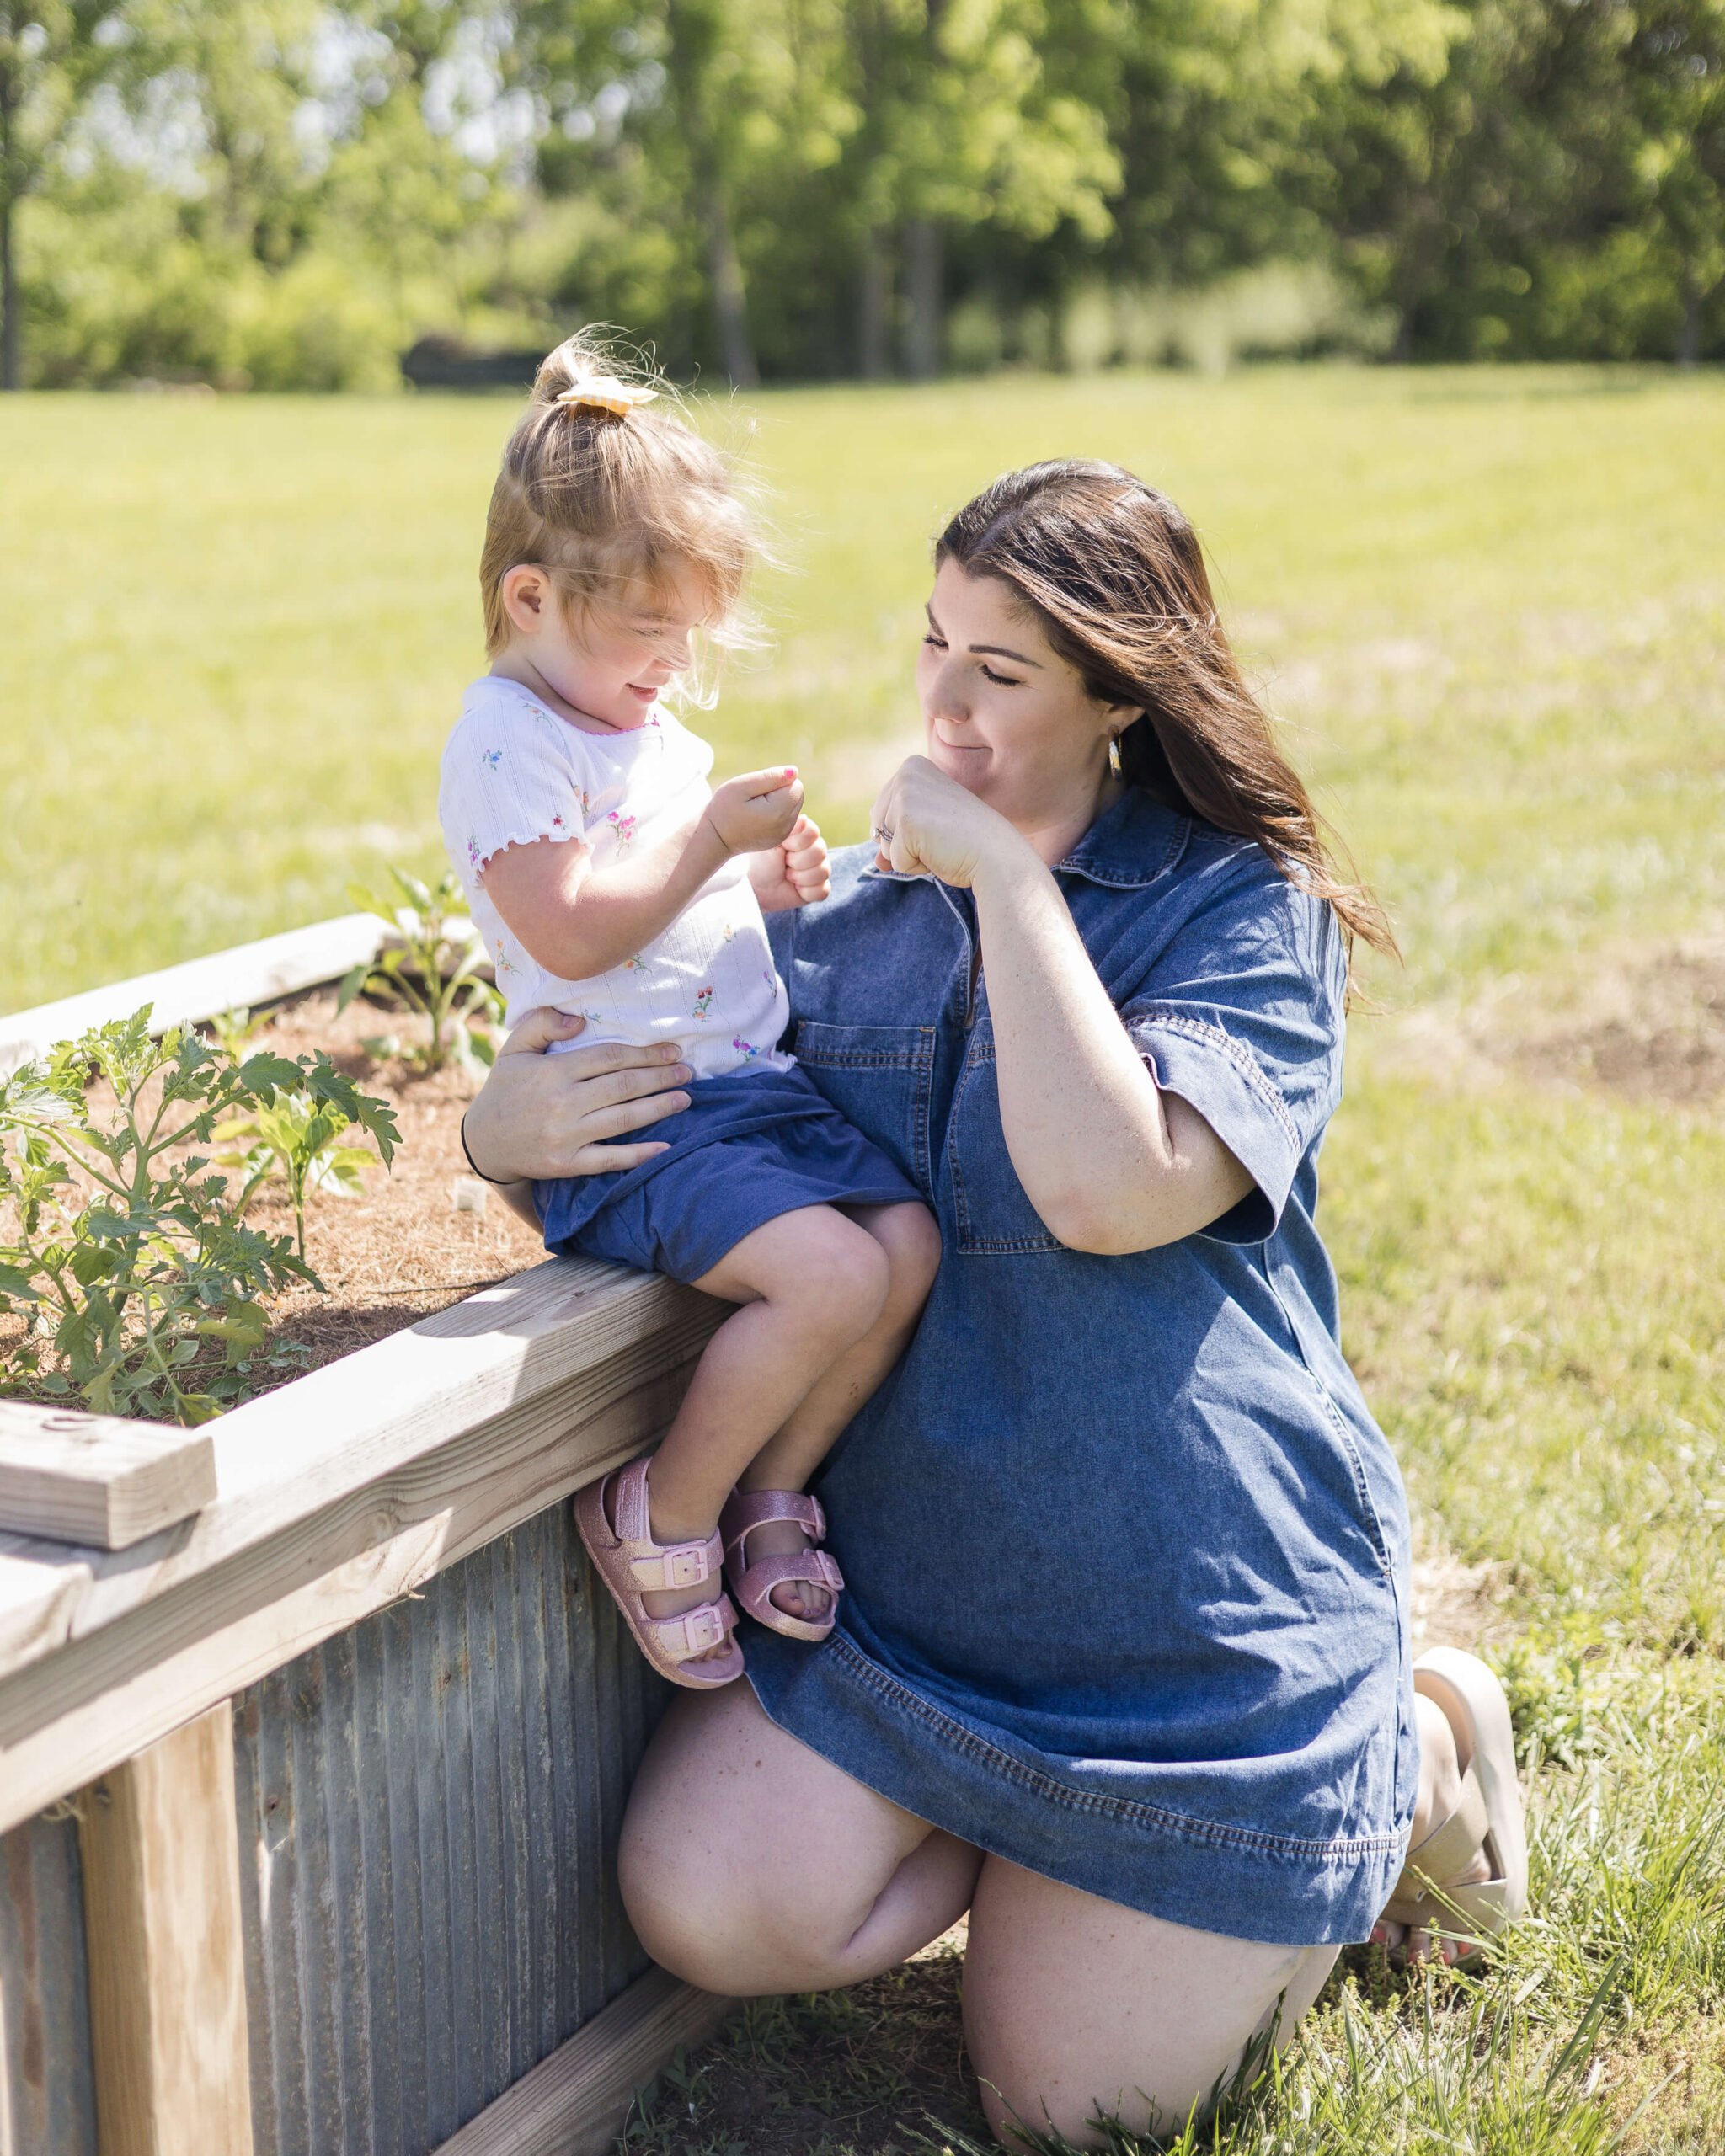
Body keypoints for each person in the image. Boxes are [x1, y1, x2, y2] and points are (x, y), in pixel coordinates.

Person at [461, 459, 1529, 2148]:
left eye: (1002, 669)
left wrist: (1006, 882)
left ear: (1120, 692)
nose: (942, 704)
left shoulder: (1238, 912)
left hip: (1191, 1632)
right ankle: (1034, 1847)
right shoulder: (842, 935)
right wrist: (494, 1123)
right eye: (932, 644)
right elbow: (673, 1106)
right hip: (931, 1605)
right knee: (711, 1900)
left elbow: (1107, 1189)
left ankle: (1409, 1753)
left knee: (1067, 2104)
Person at [440, 333, 940, 1691]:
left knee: (904, 1243)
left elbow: (678, 929)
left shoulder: (638, 726)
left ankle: (772, 1489)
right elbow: (574, 925)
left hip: (739, 1094)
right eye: (645, 631)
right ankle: (658, 1510)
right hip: (636, 1114)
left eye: (689, 632)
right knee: (834, 1274)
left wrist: (767, 892)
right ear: (530, 596)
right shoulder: (506, 740)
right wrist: (714, 838)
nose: (671, 662)